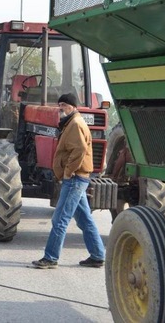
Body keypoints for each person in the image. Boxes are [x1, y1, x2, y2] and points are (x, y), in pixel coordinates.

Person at [31, 93, 105, 269]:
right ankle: (97, 255)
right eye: (59, 105)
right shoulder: (71, 123)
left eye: (63, 105)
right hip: (77, 177)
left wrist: (68, 172)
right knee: (85, 220)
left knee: (59, 219)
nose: (60, 108)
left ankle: (50, 258)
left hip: (74, 178)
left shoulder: (75, 124)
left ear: (72, 106)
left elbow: (78, 151)